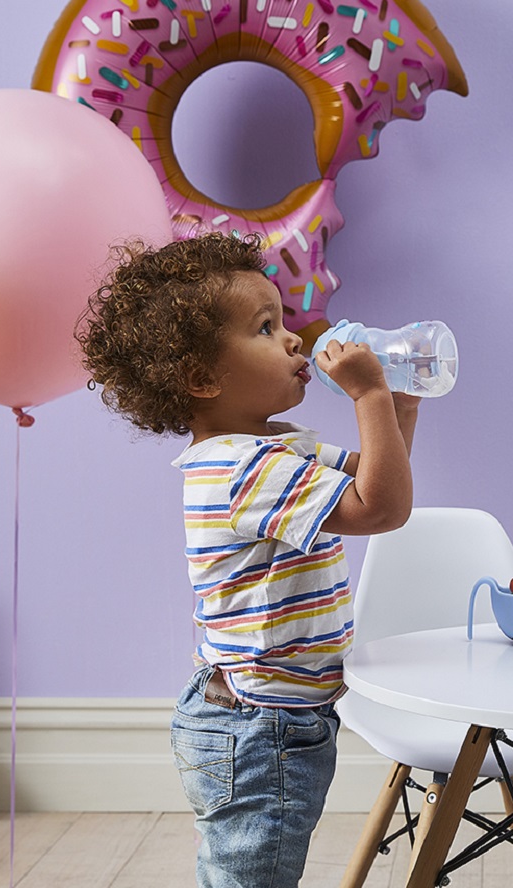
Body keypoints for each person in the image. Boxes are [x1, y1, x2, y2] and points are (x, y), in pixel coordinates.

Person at [77, 232, 419, 888]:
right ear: (202, 378)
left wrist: (398, 400)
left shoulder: (276, 451)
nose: (295, 340)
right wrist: (371, 399)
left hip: (267, 719)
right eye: (266, 328)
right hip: (260, 731)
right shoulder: (240, 469)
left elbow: (381, 482)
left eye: (285, 320)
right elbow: (380, 510)